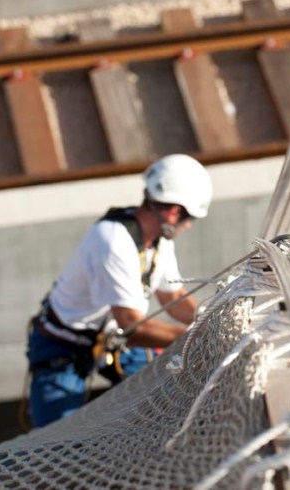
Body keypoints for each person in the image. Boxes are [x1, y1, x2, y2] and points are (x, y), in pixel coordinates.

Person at [24, 153, 212, 428]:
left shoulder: (157, 241)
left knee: (166, 399)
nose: (188, 227)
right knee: (54, 442)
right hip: (64, 348)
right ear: (174, 211)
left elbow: (171, 297)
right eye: (190, 219)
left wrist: (212, 317)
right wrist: (194, 339)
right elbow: (132, 325)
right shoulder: (113, 240)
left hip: (113, 340)